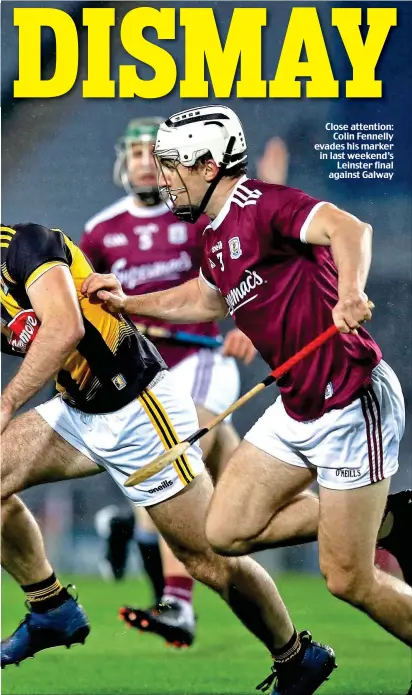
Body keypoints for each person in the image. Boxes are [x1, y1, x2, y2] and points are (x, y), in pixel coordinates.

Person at [82, 105, 412, 683]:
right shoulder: (210, 234)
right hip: (297, 404)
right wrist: (127, 304)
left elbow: (349, 229)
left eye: (172, 166)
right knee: (224, 531)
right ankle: (382, 516)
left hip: (351, 399)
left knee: (346, 579)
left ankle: (365, 528)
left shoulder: (262, 204)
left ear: (209, 166)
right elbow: (205, 300)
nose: (161, 178)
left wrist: (351, 292)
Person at [0, 222, 338, 695]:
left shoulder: (23, 246)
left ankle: (298, 656)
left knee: (208, 559)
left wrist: (8, 400)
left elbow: (64, 327)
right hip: (76, 412)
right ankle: (51, 608)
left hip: (140, 408)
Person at [80, 117, 256, 646]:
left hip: (198, 362)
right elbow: (83, 303)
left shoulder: (198, 222)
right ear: (123, 162)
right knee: (240, 488)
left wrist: (245, 324)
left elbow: (241, 275)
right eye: (133, 153)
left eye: (150, 155)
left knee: (171, 456)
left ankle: (176, 601)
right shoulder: (100, 231)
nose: (141, 163)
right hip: (141, 371)